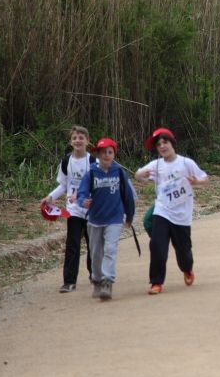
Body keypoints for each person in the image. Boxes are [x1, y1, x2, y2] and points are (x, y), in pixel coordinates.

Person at [135, 128, 208, 295]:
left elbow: (205, 178)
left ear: (172, 142)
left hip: (182, 215)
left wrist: (196, 182)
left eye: (165, 142)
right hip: (162, 211)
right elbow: (138, 175)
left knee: (184, 252)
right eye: (158, 144)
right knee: (157, 246)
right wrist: (141, 173)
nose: (162, 146)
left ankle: (187, 269)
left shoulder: (185, 163)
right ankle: (156, 282)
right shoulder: (156, 165)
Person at [76, 138, 135, 301]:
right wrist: (83, 201)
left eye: (110, 152)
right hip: (95, 219)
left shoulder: (120, 172)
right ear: (98, 154)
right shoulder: (91, 173)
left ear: (114, 154)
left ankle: (108, 281)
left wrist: (129, 216)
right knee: (95, 253)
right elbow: (81, 193)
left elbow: (128, 197)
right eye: (103, 152)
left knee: (110, 249)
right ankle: (97, 280)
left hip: (115, 218)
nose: (106, 155)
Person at [42, 125, 95, 293]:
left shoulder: (94, 161)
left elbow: (98, 184)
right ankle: (69, 281)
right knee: (72, 244)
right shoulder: (66, 161)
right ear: (70, 142)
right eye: (74, 138)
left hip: (92, 209)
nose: (78, 140)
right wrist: (50, 197)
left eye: (81, 138)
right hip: (74, 209)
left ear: (87, 141)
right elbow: (63, 185)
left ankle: (95, 275)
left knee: (93, 244)